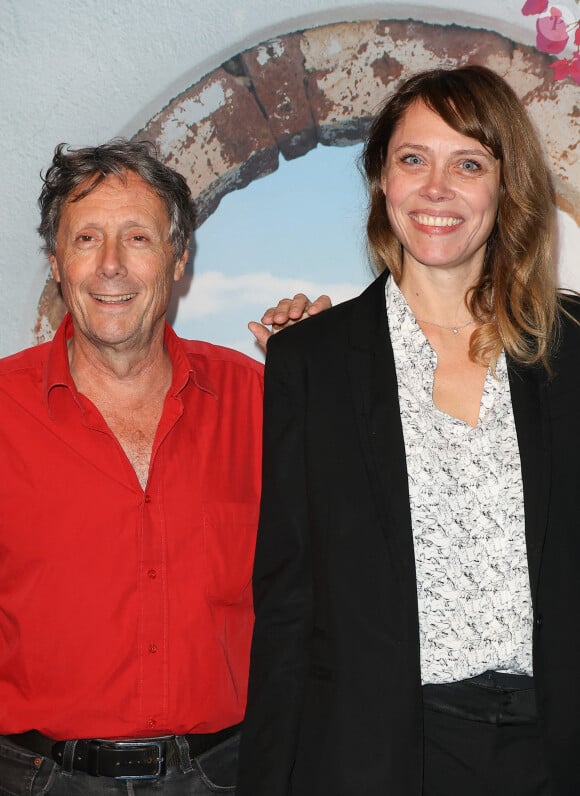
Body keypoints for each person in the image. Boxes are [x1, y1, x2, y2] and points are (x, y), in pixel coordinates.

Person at [237, 65, 580, 796]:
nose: (437, 188)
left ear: (506, 185)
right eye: (413, 159)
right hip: (377, 754)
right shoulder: (311, 360)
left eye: (469, 163)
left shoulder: (573, 345)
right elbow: (288, 608)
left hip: (553, 752)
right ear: (380, 182)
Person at [0, 139, 328, 794]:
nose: (111, 266)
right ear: (57, 263)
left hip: (230, 775)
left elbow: (355, 567)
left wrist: (334, 379)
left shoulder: (264, 402)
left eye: (139, 239)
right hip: (37, 780)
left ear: (179, 260)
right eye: (87, 238)